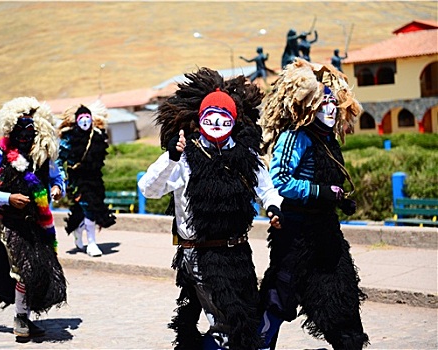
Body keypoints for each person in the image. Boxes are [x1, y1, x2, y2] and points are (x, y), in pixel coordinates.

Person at [138, 67, 284, 350]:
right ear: (201, 118)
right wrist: (170, 158)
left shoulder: (245, 153)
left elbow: (265, 186)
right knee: (226, 326)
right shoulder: (185, 155)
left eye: (223, 117)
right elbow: (149, 189)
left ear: (233, 119)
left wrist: (273, 206)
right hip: (200, 254)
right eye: (211, 117)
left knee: (245, 321)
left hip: (239, 253)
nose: (217, 122)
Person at [256, 59, 369, 350]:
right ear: (308, 108)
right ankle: (259, 345)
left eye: (333, 104)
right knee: (279, 297)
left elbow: (329, 182)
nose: (330, 109)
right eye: (322, 105)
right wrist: (320, 192)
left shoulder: (328, 139)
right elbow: (280, 178)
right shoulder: (296, 137)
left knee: (341, 294)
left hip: (327, 233)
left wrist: (338, 199)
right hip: (296, 236)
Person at [0, 96, 67, 338]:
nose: (25, 135)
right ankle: (20, 320)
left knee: (40, 270)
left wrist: (57, 189)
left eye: (30, 130)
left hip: (37, 223)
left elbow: (57, 178)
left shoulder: (43, 157)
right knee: (24, 270)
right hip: (9, 223)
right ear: (11, 129)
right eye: (20, 129)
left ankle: (25, 315)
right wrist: (8, 198)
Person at [56, 100, 116, 257]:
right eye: (81, 117)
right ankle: (92, 243)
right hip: (78, 180)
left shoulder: (97, 136)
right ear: (76, 120)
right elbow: (59, 160)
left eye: (87, 117)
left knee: (90, 209)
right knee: (88, 208)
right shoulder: (68, 139)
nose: (84, 120)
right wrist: (61, 177)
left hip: (95, 179)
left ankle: (78, 230)